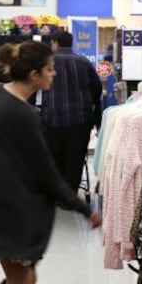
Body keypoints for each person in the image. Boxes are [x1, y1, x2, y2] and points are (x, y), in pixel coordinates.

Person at [0, 41, 102, 284]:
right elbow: (47, 175)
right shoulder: (22, 115)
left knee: (25, 280)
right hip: (7, 212)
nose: (54, 74)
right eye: (50, 69)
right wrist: (86, 210)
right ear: (34, 75)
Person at [40, 30, 102, 192]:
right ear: (71, 43)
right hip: (80, 122)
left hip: (52, 120)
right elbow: (97, 90)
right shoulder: (84, 63)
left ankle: (57, 194)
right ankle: (70, 195)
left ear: (55, 43)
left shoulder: (47, 64)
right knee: (75, 159)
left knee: (54, 158)